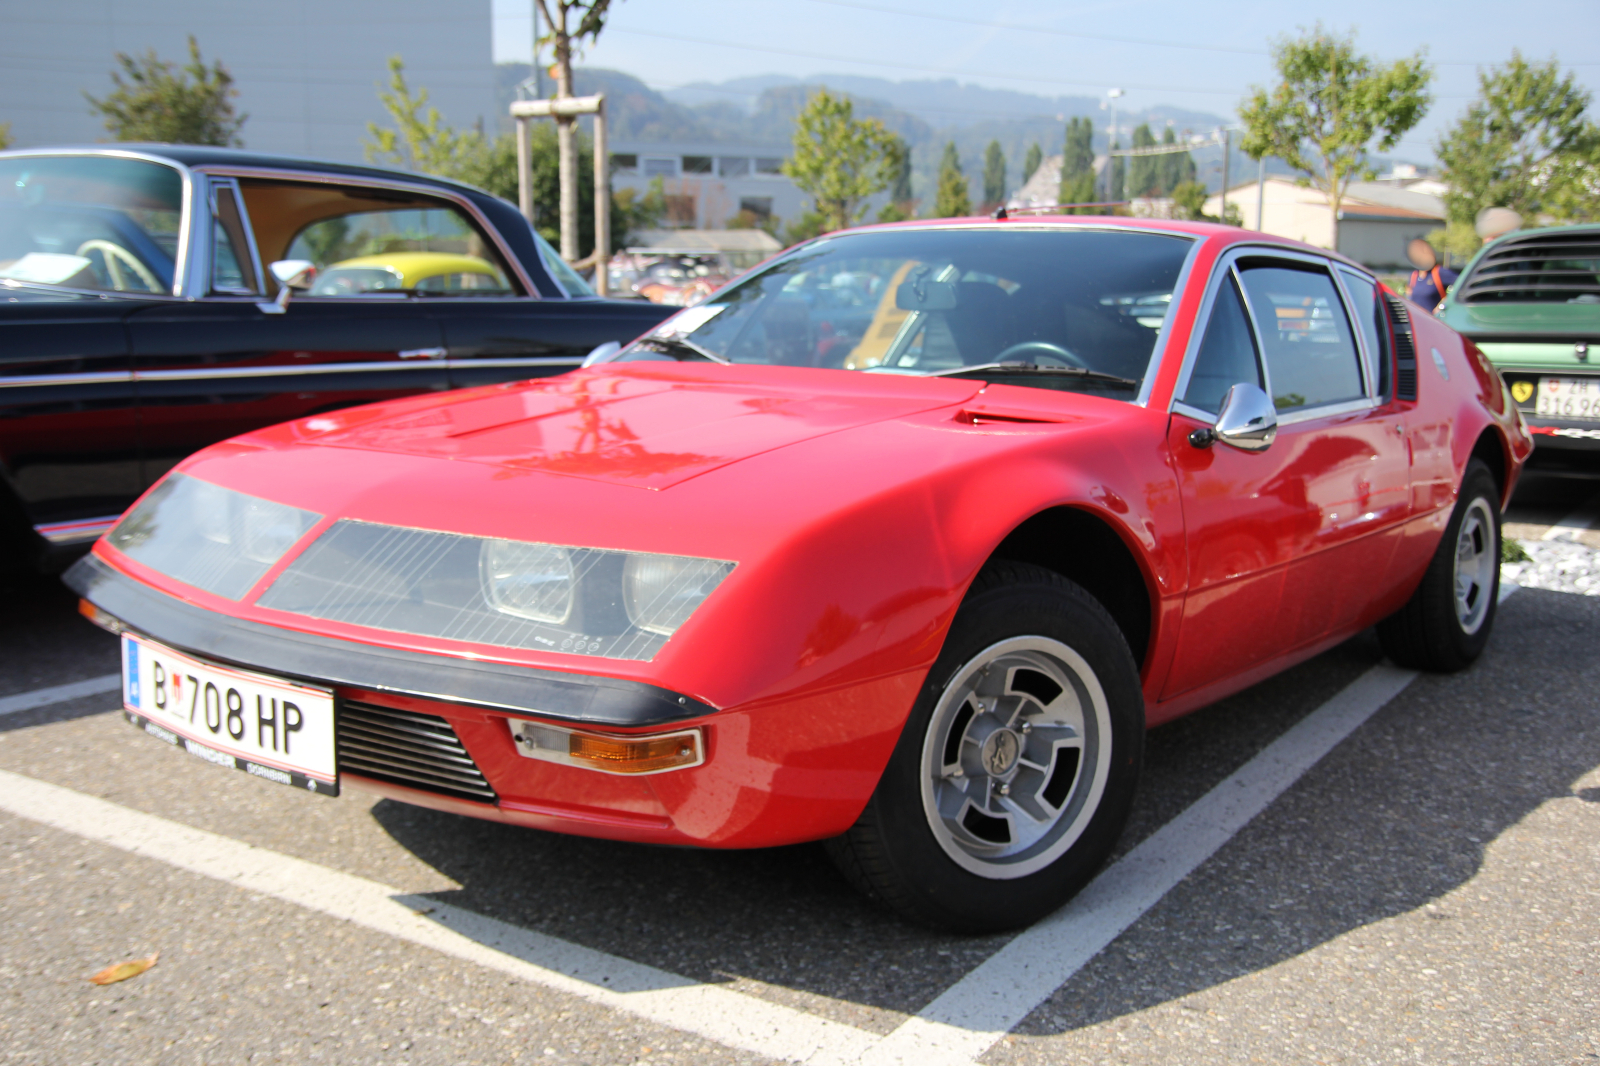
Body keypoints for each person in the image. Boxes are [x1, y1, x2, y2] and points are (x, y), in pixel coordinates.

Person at [1405, 238, 1457, 314]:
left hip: (1434, 321)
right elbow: (1409, 296)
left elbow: (1461, 284)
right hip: (1417, 320)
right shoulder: (1414, 275)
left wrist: (1441, 306)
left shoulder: (1439, 272)